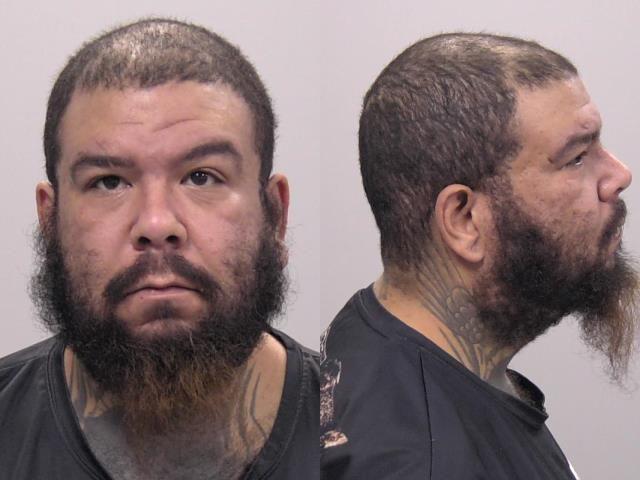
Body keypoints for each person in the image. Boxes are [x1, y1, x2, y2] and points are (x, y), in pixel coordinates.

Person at [0, 18, 318, 480]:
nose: (156, 224)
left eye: (201, 177)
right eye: (109, 182)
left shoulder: (375, 435)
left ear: (275, 215)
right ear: (50, 222)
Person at [320, 33, 638, 480]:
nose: (619, 175)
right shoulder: (420, 463)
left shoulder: (379, 333)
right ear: (465, 219)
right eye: (577, 157)